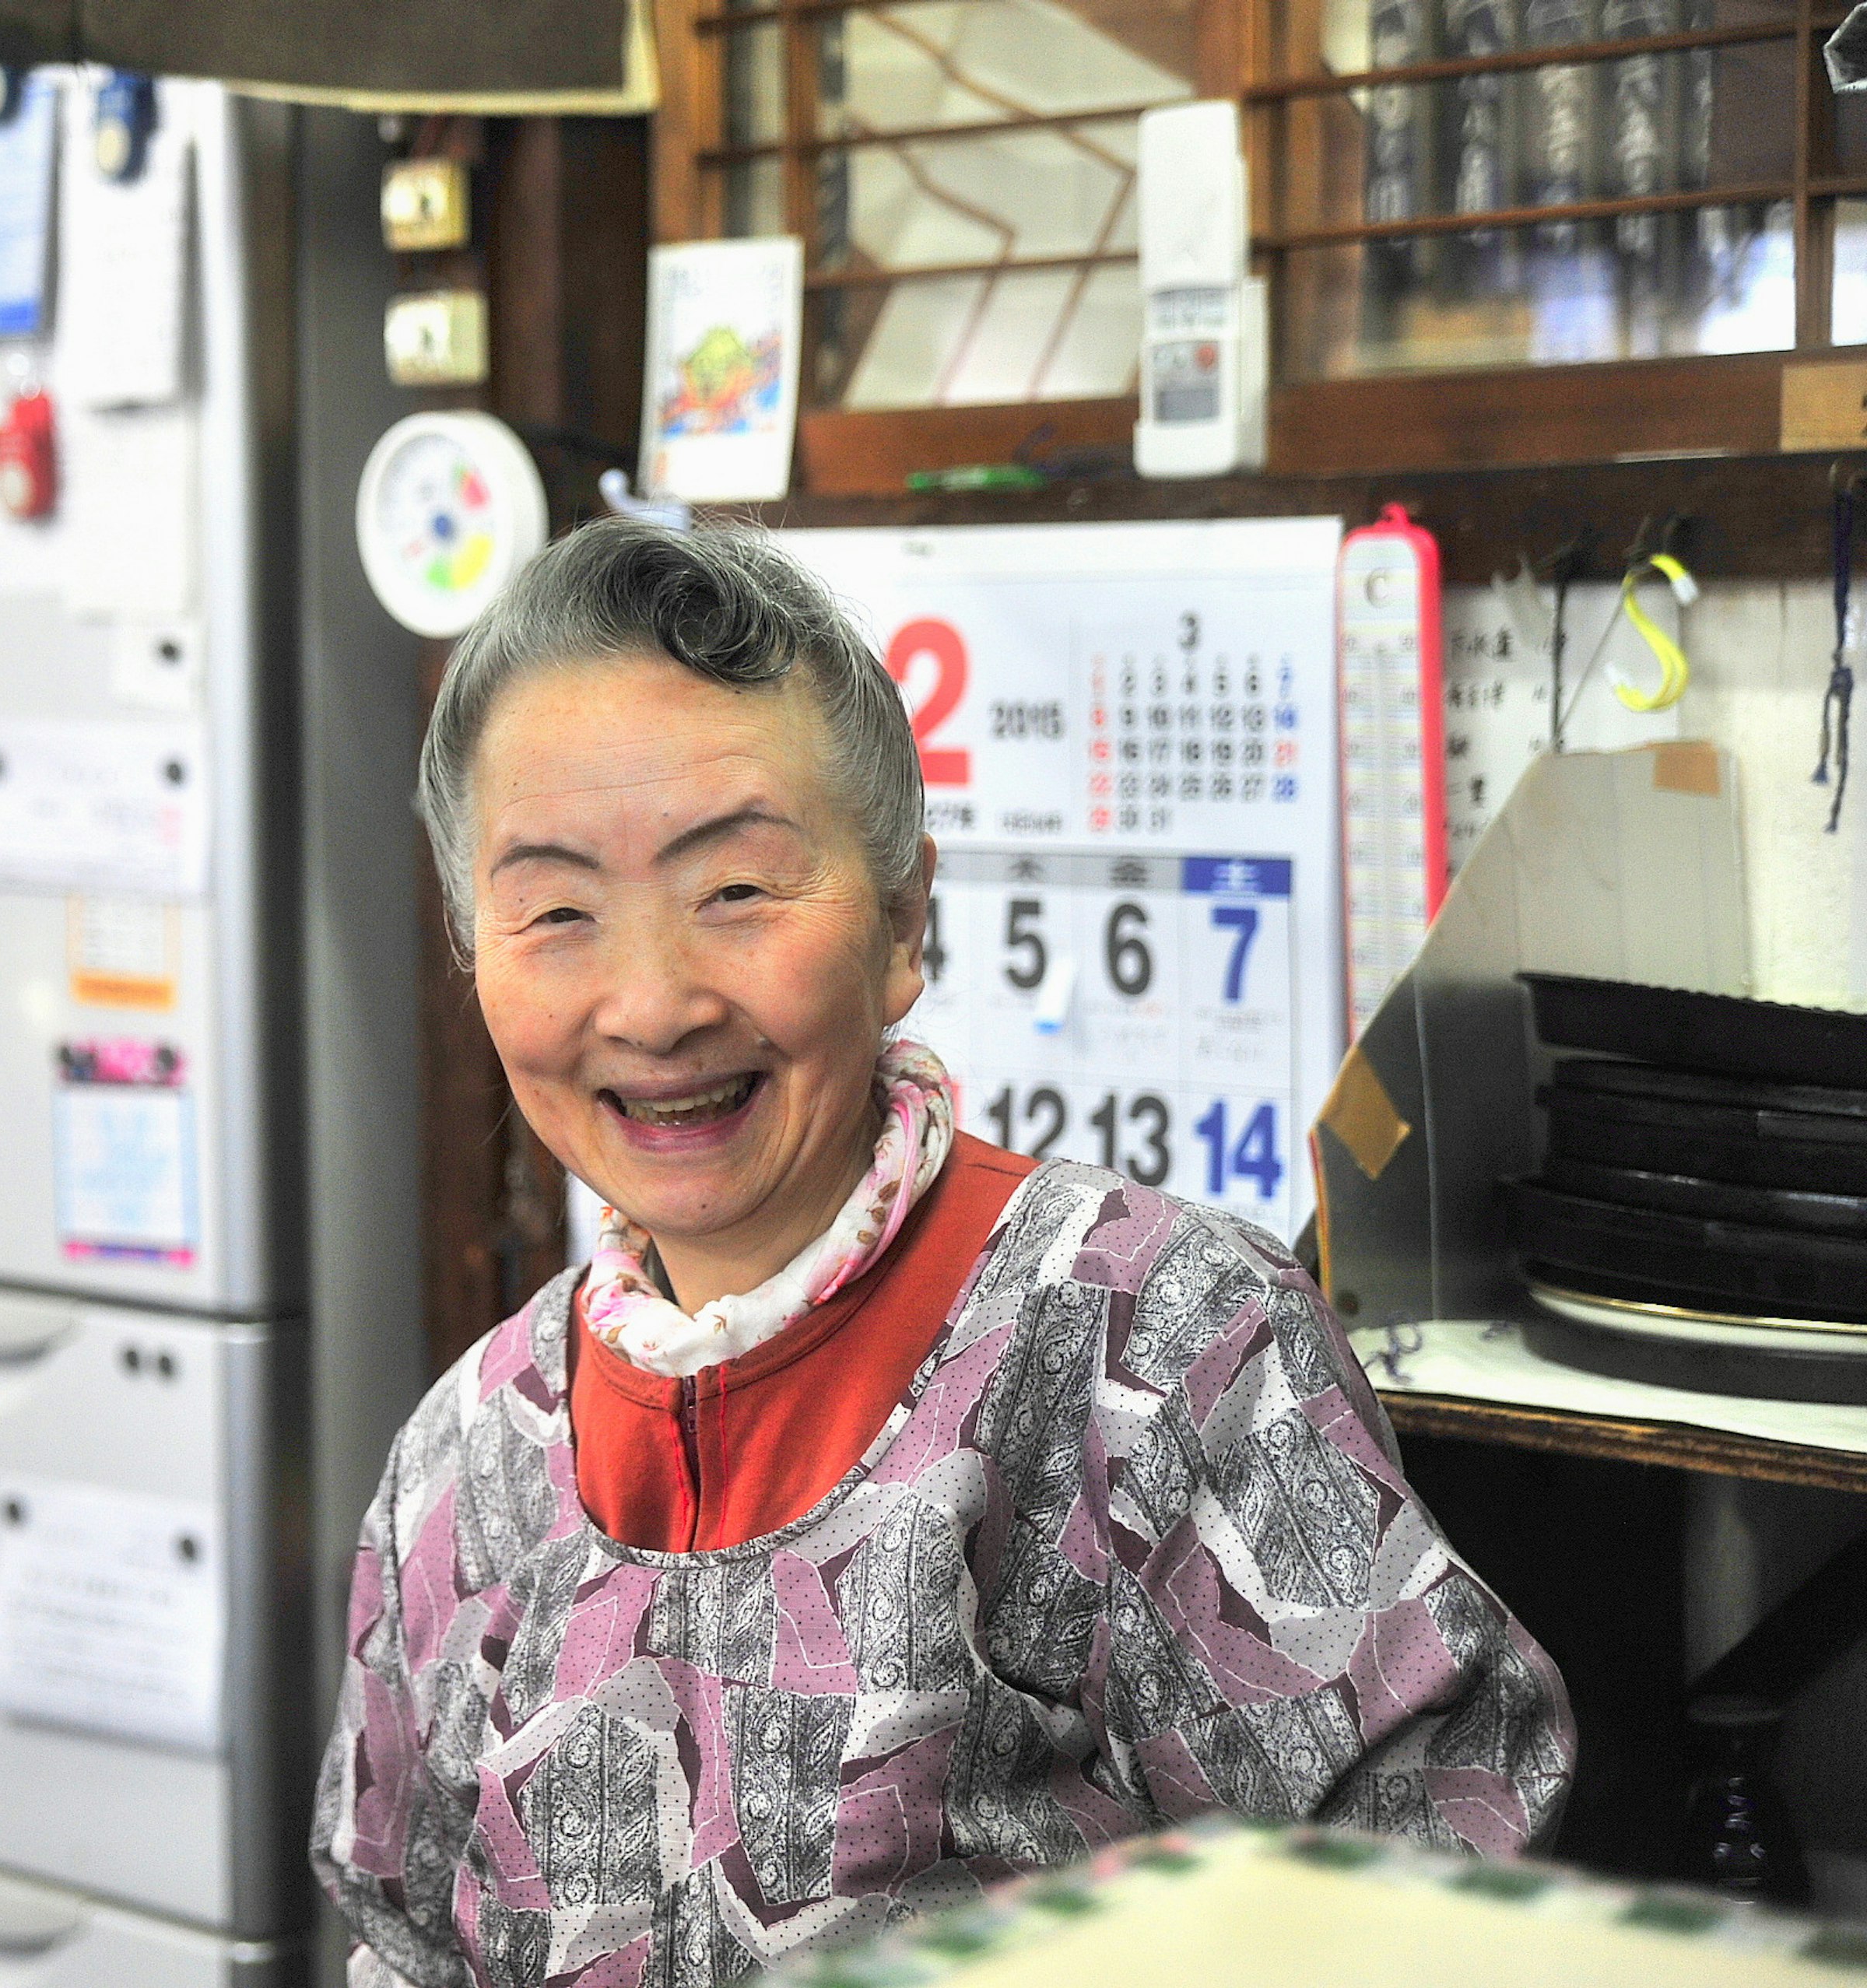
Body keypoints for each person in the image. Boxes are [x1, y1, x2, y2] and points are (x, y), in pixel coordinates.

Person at [311, 520, 1573, 1987]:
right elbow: (399, 1942)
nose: (650, 1005)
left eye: (735, 891)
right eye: (557, 912)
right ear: (475, 955)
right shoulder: (461, 1462)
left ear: (906, 920)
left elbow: (1433, 1873)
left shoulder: (1151, 1344)